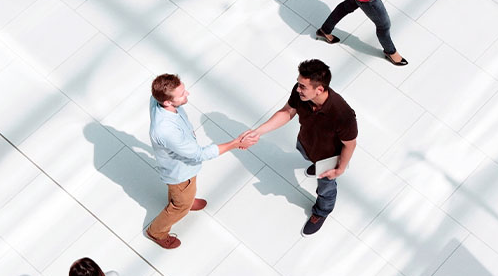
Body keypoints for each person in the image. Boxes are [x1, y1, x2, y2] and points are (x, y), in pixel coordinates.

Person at [241, 59, 357, 235]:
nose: (297, 89)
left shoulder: (343, 115)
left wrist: (339, 169)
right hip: (306, 143)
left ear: (319, 89)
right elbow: (288, 111)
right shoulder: (302, 95)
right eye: (298, 84)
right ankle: (314, 164)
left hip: (328, 159)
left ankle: (322, 211)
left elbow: (350, 144)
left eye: (303, 86)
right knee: (306, 155)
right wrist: (258, 131)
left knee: (326, 188)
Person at [146, 74, 251, 249]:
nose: (187, 93)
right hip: (180, 173)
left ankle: (183, 199)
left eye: (183, 89)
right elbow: (198, 155)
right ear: (167, 102)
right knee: (181, 204)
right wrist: (234, 143)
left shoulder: (158, 99)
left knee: (185, 191)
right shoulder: (166, 130)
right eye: (181, 94)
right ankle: (157, 231)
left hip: (182, 168)